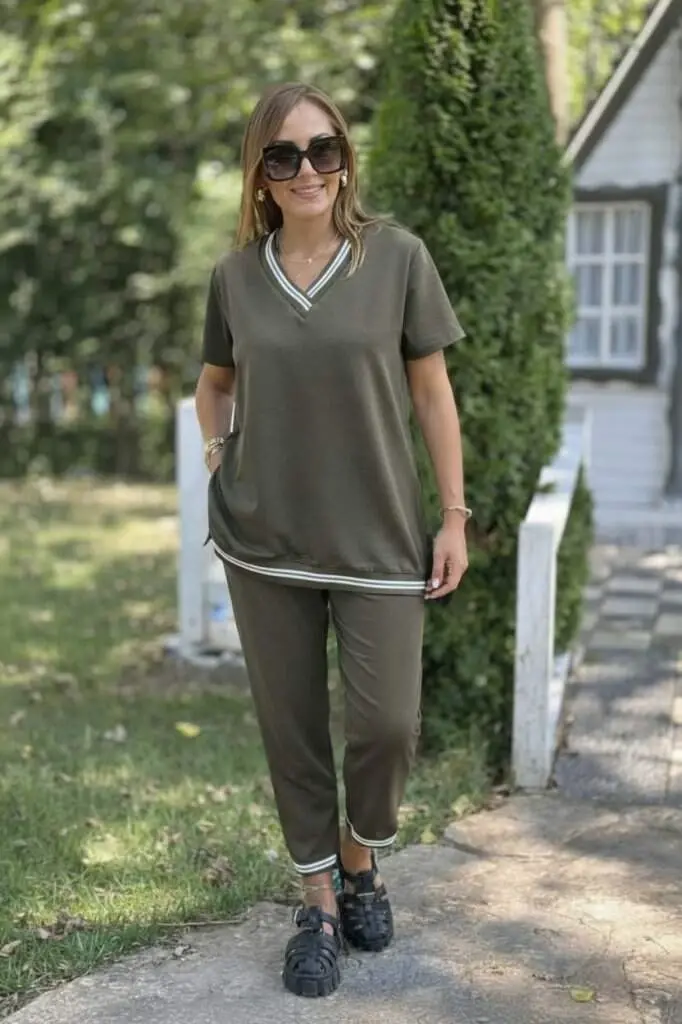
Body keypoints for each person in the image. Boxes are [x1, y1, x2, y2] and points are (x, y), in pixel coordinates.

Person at [195, 81, 469, 999]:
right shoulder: (235, 278)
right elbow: (214, 385)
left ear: (345, 160)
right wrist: (220, 457)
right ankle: (317, 903)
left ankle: (360, 856)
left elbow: (432, 392)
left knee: (387, 726)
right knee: (294, 730)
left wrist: (454, 517)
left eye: (323, 149)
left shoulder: (397, 259)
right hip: (262, 539)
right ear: (260, 175)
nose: (306, 169)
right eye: (283, 155)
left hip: (379, 538)